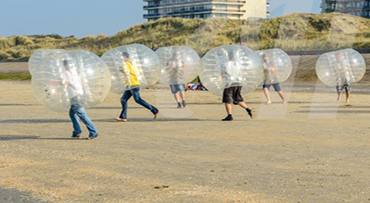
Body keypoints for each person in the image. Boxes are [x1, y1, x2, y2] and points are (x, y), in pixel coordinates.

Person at [114, 52, 159, 122]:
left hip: (133, 84)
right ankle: (123, 117)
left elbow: (127, 73)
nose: (122, 59)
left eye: (122, 57)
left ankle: (154, 110)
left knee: (138, 100)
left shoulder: (126, 64)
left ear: (126, 57)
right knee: (123, 99)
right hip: (130, 84)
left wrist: (122, 70)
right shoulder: (133, 63)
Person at [62, 60, 98, 139]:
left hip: (74, 96)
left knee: (82, 115)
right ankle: (77, 131)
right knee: (72, 114)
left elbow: (66, 84)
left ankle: (93, 132)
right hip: (80, 94)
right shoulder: (76, 72)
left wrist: (55, 83)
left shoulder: (66, 73)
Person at [220, 49, 253, 121]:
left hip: (229, 83)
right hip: (238, 83)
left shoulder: (225, 64)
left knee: (227, 100)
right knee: (237, 98)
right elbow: (241, 74)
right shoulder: (238, 64)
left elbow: (223, 73)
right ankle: (247, 109)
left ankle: (229, 115)